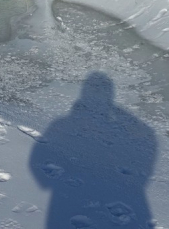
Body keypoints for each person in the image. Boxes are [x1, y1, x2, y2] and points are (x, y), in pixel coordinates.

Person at [29, 72, 157, 228]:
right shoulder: (67, 124)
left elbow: (37, 157)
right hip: (87, 191)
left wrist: (49, 183)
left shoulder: (63, 123)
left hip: (76, 194)